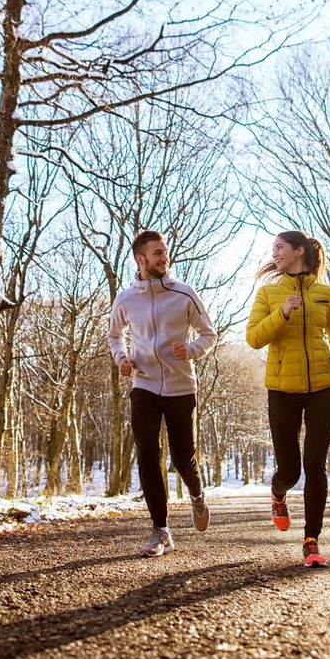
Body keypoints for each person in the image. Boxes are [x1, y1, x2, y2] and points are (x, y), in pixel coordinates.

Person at [246, 231, 330, 567]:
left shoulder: (325, 294)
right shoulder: (268, 293)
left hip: (323, 385)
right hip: (282, 389)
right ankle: (278, 493)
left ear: (299, 251)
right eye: (273, 250)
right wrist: (281, 313)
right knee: (291, 470)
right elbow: (253, 338)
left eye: (280, 248)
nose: (275, 254)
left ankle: (312, 540)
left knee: (315, 464)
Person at [108, 230, 218, 557]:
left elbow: (209, 334)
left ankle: (197, 496)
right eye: (157, 253)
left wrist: (192, 349)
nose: (164, 257)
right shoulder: (126, 299)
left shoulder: (185, 294)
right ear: (141, 260)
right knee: (147, 453)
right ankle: (161, 530)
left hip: (181, 386)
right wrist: (122, 358)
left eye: (165, 252)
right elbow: (115, 336)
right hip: (143, 384)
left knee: (183, 458)